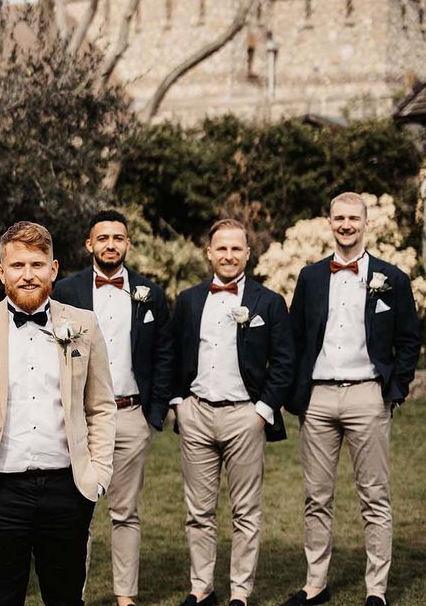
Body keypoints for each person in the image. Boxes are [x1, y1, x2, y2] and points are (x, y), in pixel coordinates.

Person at [0, 220, 117, 606]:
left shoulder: (83, 325)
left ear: (54, 268)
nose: (28, 275)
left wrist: (98, 474)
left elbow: (100, 406)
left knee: (66, 598)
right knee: (1, 598)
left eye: (37, 264)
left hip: (68, 490)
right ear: (2, 272)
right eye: (18, 266)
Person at [281, 192, 420, 606]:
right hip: (319, 398)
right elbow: (295, 337)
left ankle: (376, 589)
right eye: (339, 218)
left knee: (374, 496)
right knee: (316, 496)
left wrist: (392, 391)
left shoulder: (391, 278)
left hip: (368, 396)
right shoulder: (309, 277)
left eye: (353, 219)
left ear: (366, 224)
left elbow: (409, 340)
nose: (346, 225)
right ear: (329, 222)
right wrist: (299, 396)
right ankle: (315, 584)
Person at [171, 218, 294, 606]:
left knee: (246, 511)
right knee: (199, 512)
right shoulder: (189, 300)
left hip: (245, 416)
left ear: (247, 253)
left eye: (236, 248)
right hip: (197, 415)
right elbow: (171, 355)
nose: (228, 255)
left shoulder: (268, 302)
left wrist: (261, 411)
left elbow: (285, 362)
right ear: (209, 253)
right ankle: (201, 588)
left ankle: (240, 592)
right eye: (221, 248)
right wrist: (179, 404)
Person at [52, 209, 172, 606]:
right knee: (77, 513)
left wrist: (153, 414)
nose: (110, 245)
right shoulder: (65, 292)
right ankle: (75, 596)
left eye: (117, 238)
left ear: (128, 244)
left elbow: (163, 353)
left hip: (131, 414)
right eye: (102, 238)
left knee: (125, 511)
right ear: (89, 244)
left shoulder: (149, 294)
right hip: (80, 418)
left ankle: (126, 597)